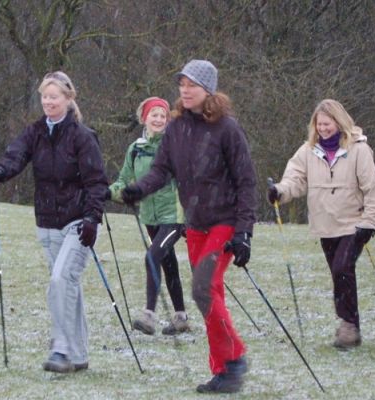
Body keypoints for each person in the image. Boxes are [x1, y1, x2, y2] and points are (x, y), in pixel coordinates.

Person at [122, 60, 255, 394]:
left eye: (192, 84)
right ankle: (223, 370)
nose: (184, 89)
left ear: (208, 89)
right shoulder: (177, 128)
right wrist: (138, 188)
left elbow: (246, 181)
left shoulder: (227, 128)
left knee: (202, 289)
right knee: (210, 295)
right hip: (194, 224)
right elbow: (161, 170)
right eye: (181, 83)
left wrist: (244, 232)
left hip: (224, 222)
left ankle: (235, 358)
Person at [0, 71, 108, 373]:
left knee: (59, 281)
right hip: (46, 222)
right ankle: (78, 355)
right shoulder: (35, 132)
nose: (49, 101)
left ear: (68, 99)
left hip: (77, 222)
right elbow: (16, 156)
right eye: (45, 96)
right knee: (68, 285)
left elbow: (96, 182)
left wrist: (92, 217)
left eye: (54, 96)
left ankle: (61, 349)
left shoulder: (82, 136)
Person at [268, 99, 375, 350]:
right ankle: (350, 322)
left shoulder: (358, 150)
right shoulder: (308, 150)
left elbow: (373, 189)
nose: (323, 129)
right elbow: (295, 179)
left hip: (354, 224)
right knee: (338, 273)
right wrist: (279, 191)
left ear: (339, 122)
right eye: (319, 124)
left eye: (327, 124)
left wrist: (369, 222)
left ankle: (348, 326)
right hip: (325, 224)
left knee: (343, 267)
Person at [106, 96, 190, 336]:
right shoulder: (136, 149)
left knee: (152, 256)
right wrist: (109, 192)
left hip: (174, 216)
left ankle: (149, 316)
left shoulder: (173, 146)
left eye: (163, 116)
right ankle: (181, 317)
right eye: (154, 115)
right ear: (145, 118)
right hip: (149, 217)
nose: (159, 119)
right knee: (168, 262)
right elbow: (124, 180)